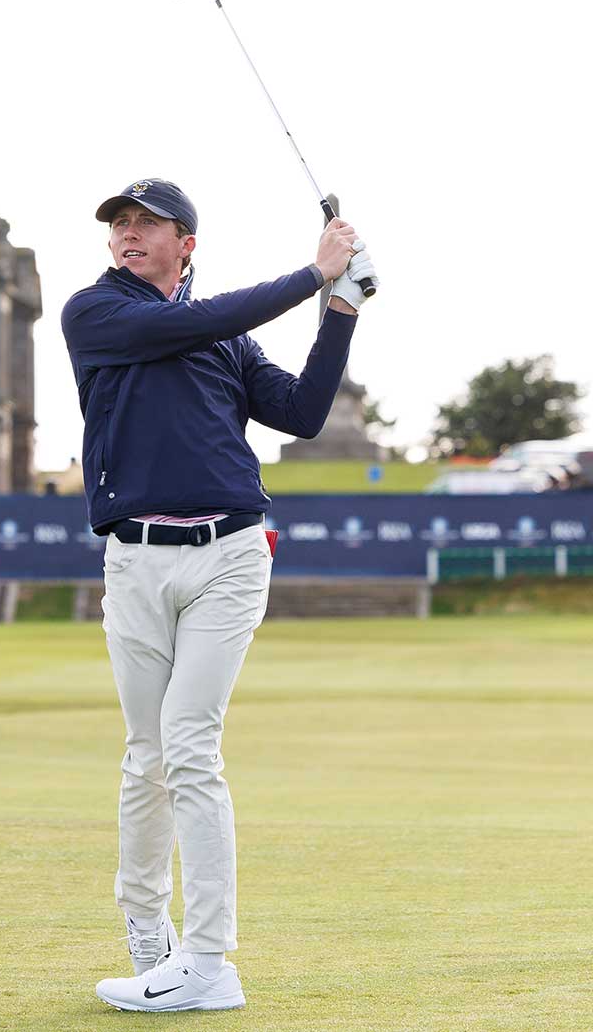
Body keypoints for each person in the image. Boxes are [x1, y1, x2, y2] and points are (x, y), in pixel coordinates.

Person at [63, 179, 377, 1012]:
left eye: (146, 224)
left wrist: (340, 309)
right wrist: (313, 274)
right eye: (119, 225)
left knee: (189, 745)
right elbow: (195, 320)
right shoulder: (96, 315)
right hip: (134, 560)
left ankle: (208, 963)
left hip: (230, 555)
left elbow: (304, 413)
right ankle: (146, 934)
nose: (127, 235)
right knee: (148, 755)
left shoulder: (227, 343)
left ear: (185, 244)